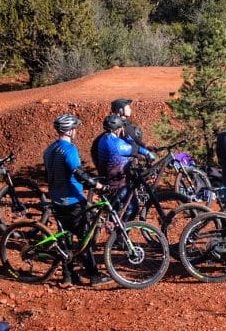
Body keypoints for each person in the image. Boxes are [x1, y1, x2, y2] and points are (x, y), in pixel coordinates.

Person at [43, 114, 111, 287]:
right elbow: (78, 172)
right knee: (84, 237)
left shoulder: (49, 150)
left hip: (57, 199)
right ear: (69, 131)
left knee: (66, 238)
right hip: (72, 200)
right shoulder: (69, 149)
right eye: (75, 129)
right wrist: (97, 185)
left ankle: (68, 276)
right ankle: (94, 275)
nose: (76, 131)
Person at [94, 114, 154, 219]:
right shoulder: (116, 144)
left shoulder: (104, 139)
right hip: (117, 184)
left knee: (116, 211)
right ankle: (123, 229)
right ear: (117, 129)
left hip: (109, 179)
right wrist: (147, 153)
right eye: (121, 127)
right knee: (132, 208)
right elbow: (134, 149)